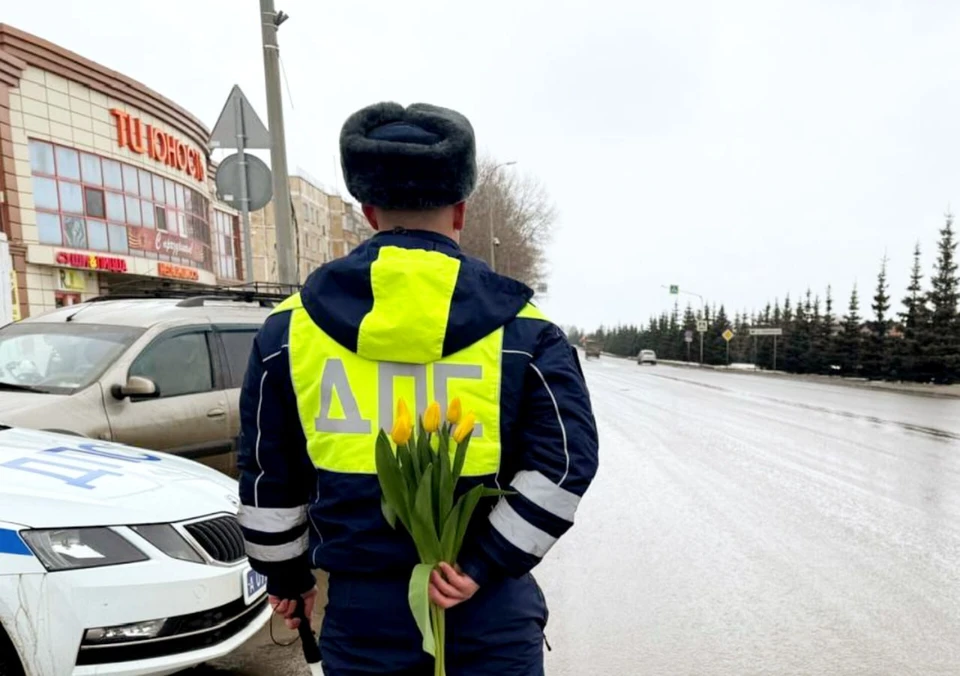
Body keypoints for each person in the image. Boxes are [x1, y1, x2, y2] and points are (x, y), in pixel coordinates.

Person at [237, 101, 599, 675]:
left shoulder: (290, 331)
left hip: (362, 617)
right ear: (460, 209)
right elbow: (563, 469)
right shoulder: (524, 330)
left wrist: (289, 579)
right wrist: (483, 566)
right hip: (485, 611)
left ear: (367, 209)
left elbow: (267, 478)